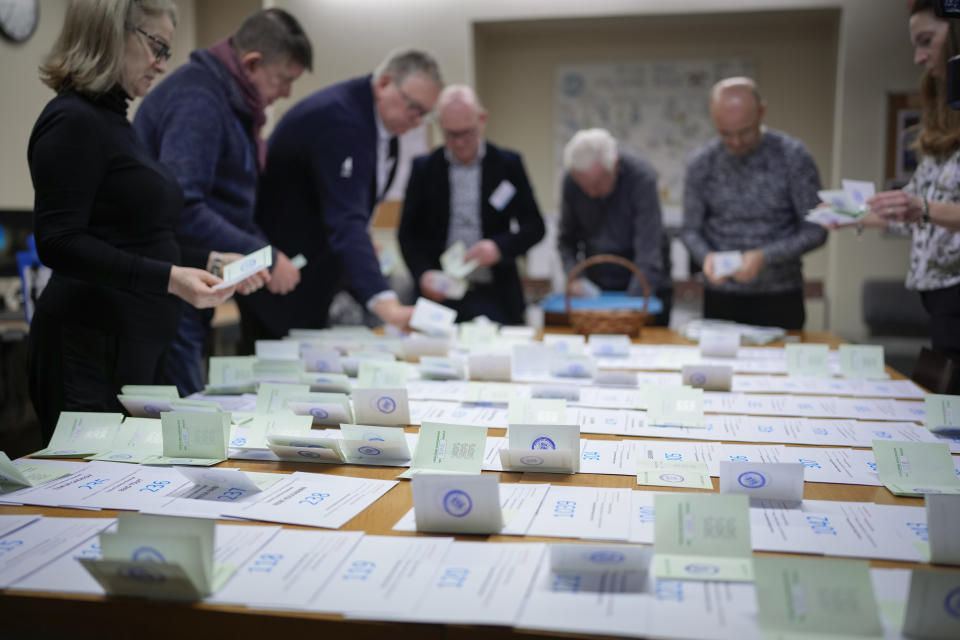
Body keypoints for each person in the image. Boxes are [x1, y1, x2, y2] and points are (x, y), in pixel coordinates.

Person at [26, 0, 247, 444]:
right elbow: (59, 241)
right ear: (112, 32)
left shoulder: (115, 122)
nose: (162, 65)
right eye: (158, 47)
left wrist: (208, 260)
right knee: (91, 506)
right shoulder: (72, 120)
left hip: (133, 348)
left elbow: (135, 239)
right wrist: (169, 278)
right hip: (87, 350)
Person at [134, 8, 312, 396]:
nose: (286, 93)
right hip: (172, 284)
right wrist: (263, 253)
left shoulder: (232, 103)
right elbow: (182, 205)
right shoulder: (199, 99)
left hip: (194, 279)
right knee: (183, 415)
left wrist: (265, 251)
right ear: (252, 63)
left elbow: (228, 204)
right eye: (283, 79)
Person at [239, 49, 443, 340]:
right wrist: (385, 303)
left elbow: (342, 206)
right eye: (414, 107)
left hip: (314, 276)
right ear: (385, 83)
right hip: (279, 276)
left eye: (426, 113)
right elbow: (346, 219)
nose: (418, 121)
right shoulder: (340, 119)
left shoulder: (382, 129)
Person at [830, 0, 960, 393]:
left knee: (945, 404)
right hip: (937, 297)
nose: (919, 58)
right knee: (939, 403)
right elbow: (914, 206)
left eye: (926, 41)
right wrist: (852, 215)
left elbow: (922, 208)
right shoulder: (945, 116)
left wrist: (920, 208)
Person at [682, 77, 827, 330]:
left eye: (744, 132)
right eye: (726, 134)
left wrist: (765, 257)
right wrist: (706, 257)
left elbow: (817, 229)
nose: (736, 142)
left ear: (761, 113)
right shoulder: (701, 163)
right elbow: (690, 229)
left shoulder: (793, 156)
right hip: (720, 297)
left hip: (779, 296)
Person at [398, 85, 545, 325]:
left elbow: (535, 226)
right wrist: (422, 273)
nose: (460, 143)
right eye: (451, 134)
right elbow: (407, 234)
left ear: (482, 120)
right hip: (441, 294)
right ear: (439, 126)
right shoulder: (424, 169)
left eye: (467, 132)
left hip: (496, 293)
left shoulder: (508, 165)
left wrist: (499, 248)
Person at [558, 128, 673, 326]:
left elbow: (648, 252)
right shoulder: (571, 182)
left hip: (644, 284)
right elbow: (566, 240)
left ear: (615, 166)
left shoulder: (641, 177)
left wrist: (628, 313)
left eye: (598, 184)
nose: (592, 194)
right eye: (585, 188)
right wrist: (576, 277)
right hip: (597, 289)